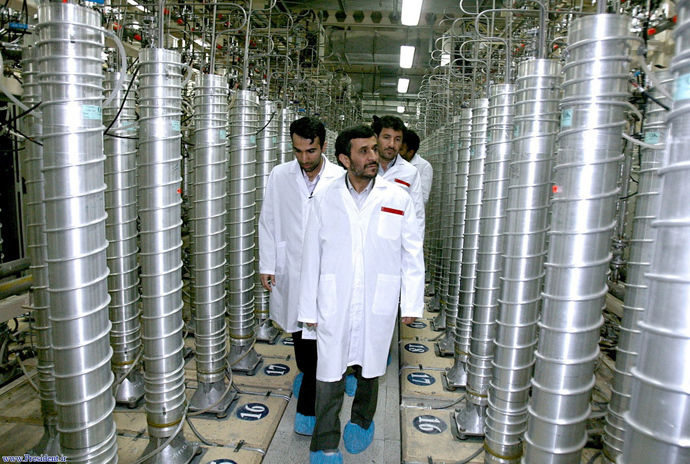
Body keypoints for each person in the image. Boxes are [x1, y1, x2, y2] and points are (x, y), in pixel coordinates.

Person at [298, 124, 425, 464]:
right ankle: (324, 442)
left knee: (371, 366)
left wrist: (411, 301)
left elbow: (412, 252)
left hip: (377, 297)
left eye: (374, 148)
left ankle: (362, 420)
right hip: (333, 296)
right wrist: (307, 308)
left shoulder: (397, 197)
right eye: (364, 151)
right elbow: (311, 254)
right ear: (344, 159)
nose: (375, 156)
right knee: (329, 372)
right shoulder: (325, 197)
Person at [258, 116, 343, 436]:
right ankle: (310, 377)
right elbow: (267, 220)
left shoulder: (339, 176)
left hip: (326, 272)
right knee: (299, 335)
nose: (304, 159)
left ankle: (308, 408)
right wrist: (268, 263)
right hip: (291, 268)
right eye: (297, 151)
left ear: (323, 146)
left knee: (320, 342)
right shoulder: (280, 175)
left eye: (311, 151)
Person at [371, 115, 425, 234]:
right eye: (386, 137)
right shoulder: (364, 166)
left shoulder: (410, 172)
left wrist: (414, 249)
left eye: (397, 139)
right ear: (376, 138)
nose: (392, 144)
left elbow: (417, 214)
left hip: (395, 239)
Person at [399, 128, 433, 206]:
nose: (397, 152)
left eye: (401, 149)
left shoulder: (424, 166)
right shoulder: (393, 162)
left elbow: (423, 197)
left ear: (410, 152)